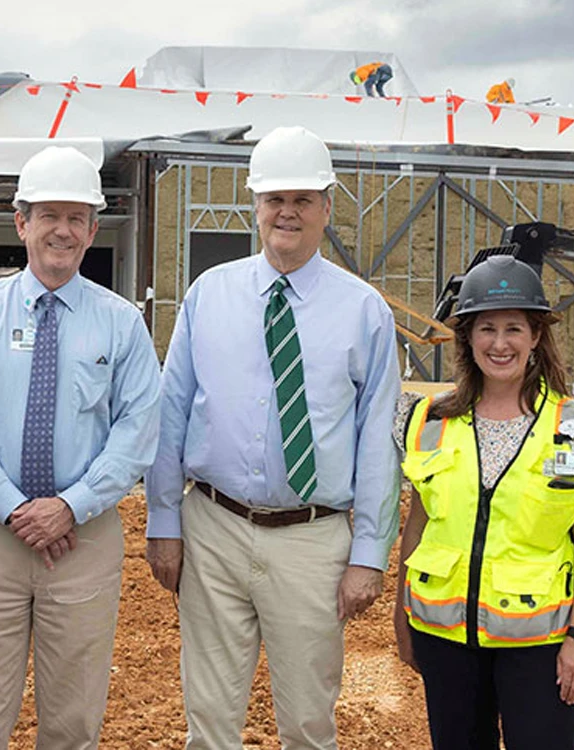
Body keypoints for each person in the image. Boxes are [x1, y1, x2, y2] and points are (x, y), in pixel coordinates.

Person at [144, 125, 401, 750]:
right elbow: (170, 411)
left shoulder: (364, 312)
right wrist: (163, 522)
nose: (288, 212)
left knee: (310, 723)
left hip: (313, 540)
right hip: (213, 529)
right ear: (255, 205)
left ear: (327, 208)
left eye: (303, 200)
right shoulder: (210, 295)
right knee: (208, 720)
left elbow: (378, 441)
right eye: (275, 199)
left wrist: (368, 552)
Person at [0, 146, 161, 749]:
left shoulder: (121, 322)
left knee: (73, 719)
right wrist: (13, 506)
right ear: (21, 222)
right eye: (48, 215)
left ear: (92, 229)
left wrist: (70, 505)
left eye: (76, 217)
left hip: (83, 538)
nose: (62, 230)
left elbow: (137, 429)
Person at [393, 255, 574, 750]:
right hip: (444, 637)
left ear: (536, 336)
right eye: (486, 328)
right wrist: (400, 613)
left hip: (540, 644)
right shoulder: (430, 420)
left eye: (514, 328)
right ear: (467, 337)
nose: (500, 343)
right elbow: (419, 522)